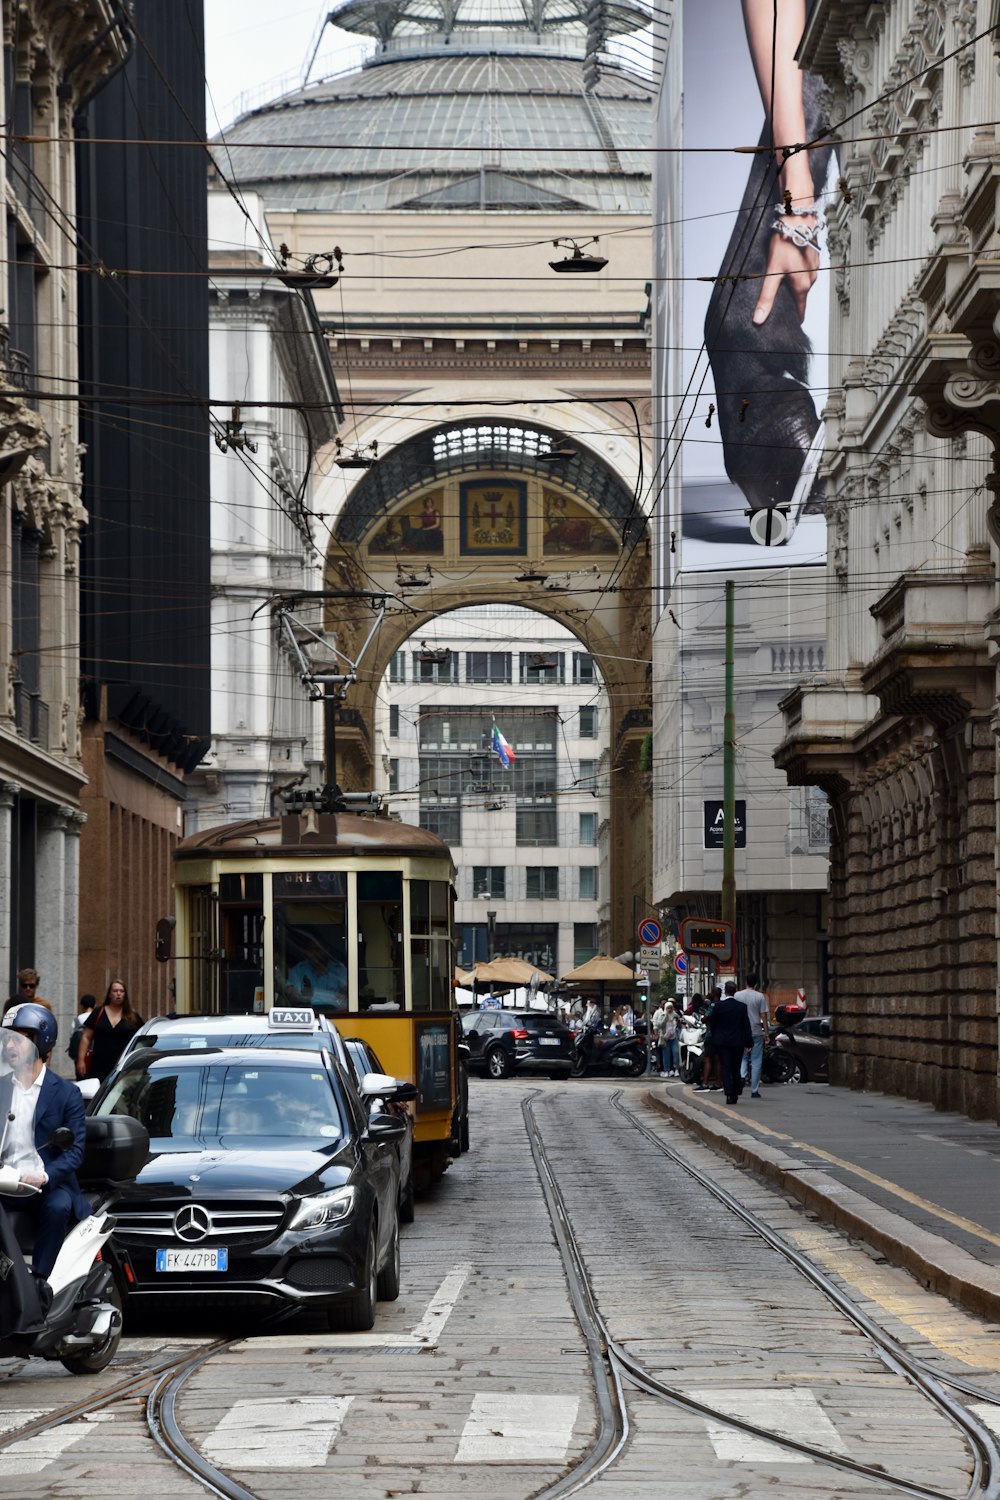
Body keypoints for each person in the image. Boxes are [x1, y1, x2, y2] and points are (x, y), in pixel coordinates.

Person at [0, 1003, 89, 1278]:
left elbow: (74, 1153)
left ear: (41, 1041)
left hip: (46, 1185)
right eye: (7, 1038)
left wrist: (44, 1176)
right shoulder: (1, 1087)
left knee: (58, 1206)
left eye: (19, 1038)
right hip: (5, 1183)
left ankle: (41, 1281)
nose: (10, 1046)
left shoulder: (66, 1093)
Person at [76, 980, 142, 1084]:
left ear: (125, 995)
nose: (118, 994)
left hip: (123, 1066)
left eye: (122, 991)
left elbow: (141, 1039)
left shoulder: (132, 1016)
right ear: (109, 994)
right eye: (115, 991)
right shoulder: (98, 1012)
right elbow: (86, 1037)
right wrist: (81, 1060)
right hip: (98, 1065)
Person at [711, 981, 753, 1104]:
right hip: (737, 1042)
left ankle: (729, 1094)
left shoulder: (718, 1006)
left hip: (723, 1042)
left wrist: (715, 1038)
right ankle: (736, 1091)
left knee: (726, 1067)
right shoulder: (741, 1007)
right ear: (735, 991)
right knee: (736, 1067)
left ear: (725, 991)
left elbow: (713, 1025)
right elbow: (746, 1025)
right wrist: (749, 1042)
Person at [284, 930, 348, 1011]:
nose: (314, 953)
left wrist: (311, 995)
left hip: (334, 1015)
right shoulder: (298, 970)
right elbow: (293, 997)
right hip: (306, 1016)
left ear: (326, 950)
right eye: (311, 950)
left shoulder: (339, 970)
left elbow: (344, 998)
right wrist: (332, 997)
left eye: (317, 949)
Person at [735, 972, 770, 1099]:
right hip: (755, 1030)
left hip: (741, 1031)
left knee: (742, 1058)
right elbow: (764, 1016)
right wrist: (766, 1033)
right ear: (756, 983)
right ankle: (754, 1090)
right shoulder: (760, 997)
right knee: (756, 1061)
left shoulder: (738, 995)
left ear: (746, 982)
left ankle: (742, 1076)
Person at [694, 986, 723, 1093]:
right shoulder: (723, 1005)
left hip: (711, 1036)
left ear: (714, 994)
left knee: (708, 1059)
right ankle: (719, 1082)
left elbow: (704, 1019)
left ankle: (705, 1083)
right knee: (718, 1060)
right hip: (721, 1036)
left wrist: (704, 1018)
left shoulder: (712, 1006)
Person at [66, 995, 95, 1067]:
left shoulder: (77, 1019)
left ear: (82, 1005)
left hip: (80, 1055)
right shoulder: (97, 1018)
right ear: (94, 1005)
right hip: (94, 1055)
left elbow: (72, 1035)